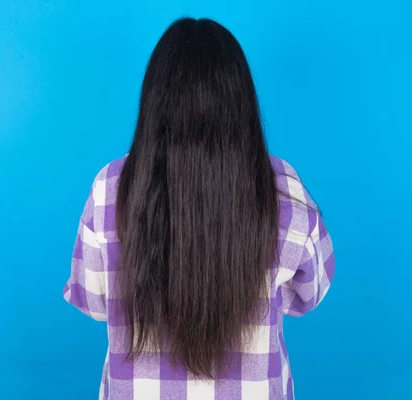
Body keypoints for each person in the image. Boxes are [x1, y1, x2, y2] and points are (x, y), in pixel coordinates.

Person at [63, 17, 334, 400]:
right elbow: (309, 292)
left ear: (155, 99)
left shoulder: (110, 186)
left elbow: (94, 302)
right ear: (241, 100)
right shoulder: (282, 187)